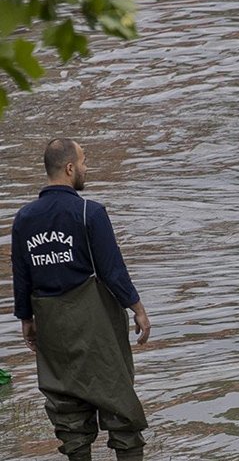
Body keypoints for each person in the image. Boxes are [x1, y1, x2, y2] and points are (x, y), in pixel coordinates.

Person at [10, 138, 150, 461]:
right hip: (95, 327)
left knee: (68, 413)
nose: (87, 168)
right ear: (70, 168)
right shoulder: (91, 212)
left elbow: (23, 277)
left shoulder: (24, 219)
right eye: (84, 162)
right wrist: (138, 309)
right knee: (119, 406)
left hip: (52, 327)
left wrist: (26, 320)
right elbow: (113, 271)